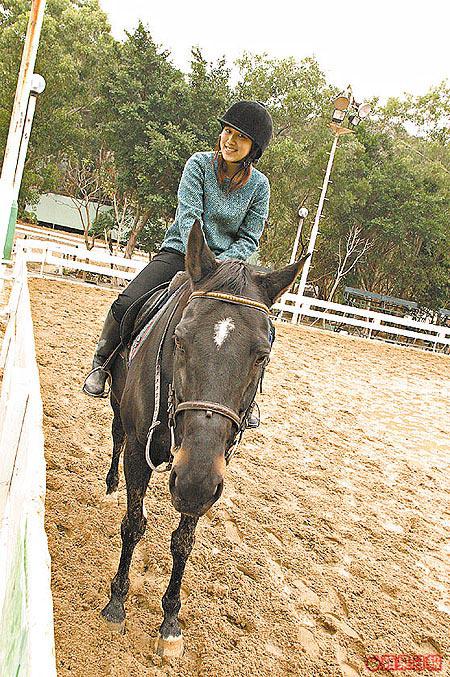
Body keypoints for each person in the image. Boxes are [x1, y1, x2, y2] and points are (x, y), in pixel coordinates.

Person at [83, 100, 273, 397]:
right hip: (182, 253)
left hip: (226, 271)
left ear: (254, 148)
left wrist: (219, 267)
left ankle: (249, 398)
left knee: (263, 331)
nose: (230, 141)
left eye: (241, 137)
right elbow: (188, 217)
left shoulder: (260, 186)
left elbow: (249, 238)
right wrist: (202, 261)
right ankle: (102, 363)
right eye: (227, 131)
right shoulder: (198, 164)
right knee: (126, 302)